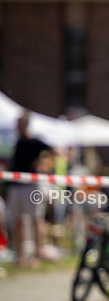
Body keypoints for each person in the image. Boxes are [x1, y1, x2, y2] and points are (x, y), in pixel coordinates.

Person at [7, 112, 52, 268]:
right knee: (17, 221)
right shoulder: (18, 143)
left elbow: (55, 152)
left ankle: (36, 256)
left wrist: (43, 164)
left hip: (32, 185)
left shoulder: (36, 142)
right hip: (16, 185)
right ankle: (20, 257)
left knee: (36, 220)